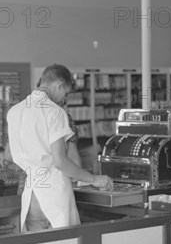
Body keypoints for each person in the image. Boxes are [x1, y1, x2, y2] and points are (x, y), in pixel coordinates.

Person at [7, 64, 113, 231]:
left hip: (30, 195)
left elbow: (10, 155)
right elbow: (60, 161)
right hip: (54, 193)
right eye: (66, 93)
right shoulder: (55, 112)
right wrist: (95, 179)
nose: (64, 100)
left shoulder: (15, 111)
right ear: (59, 86)